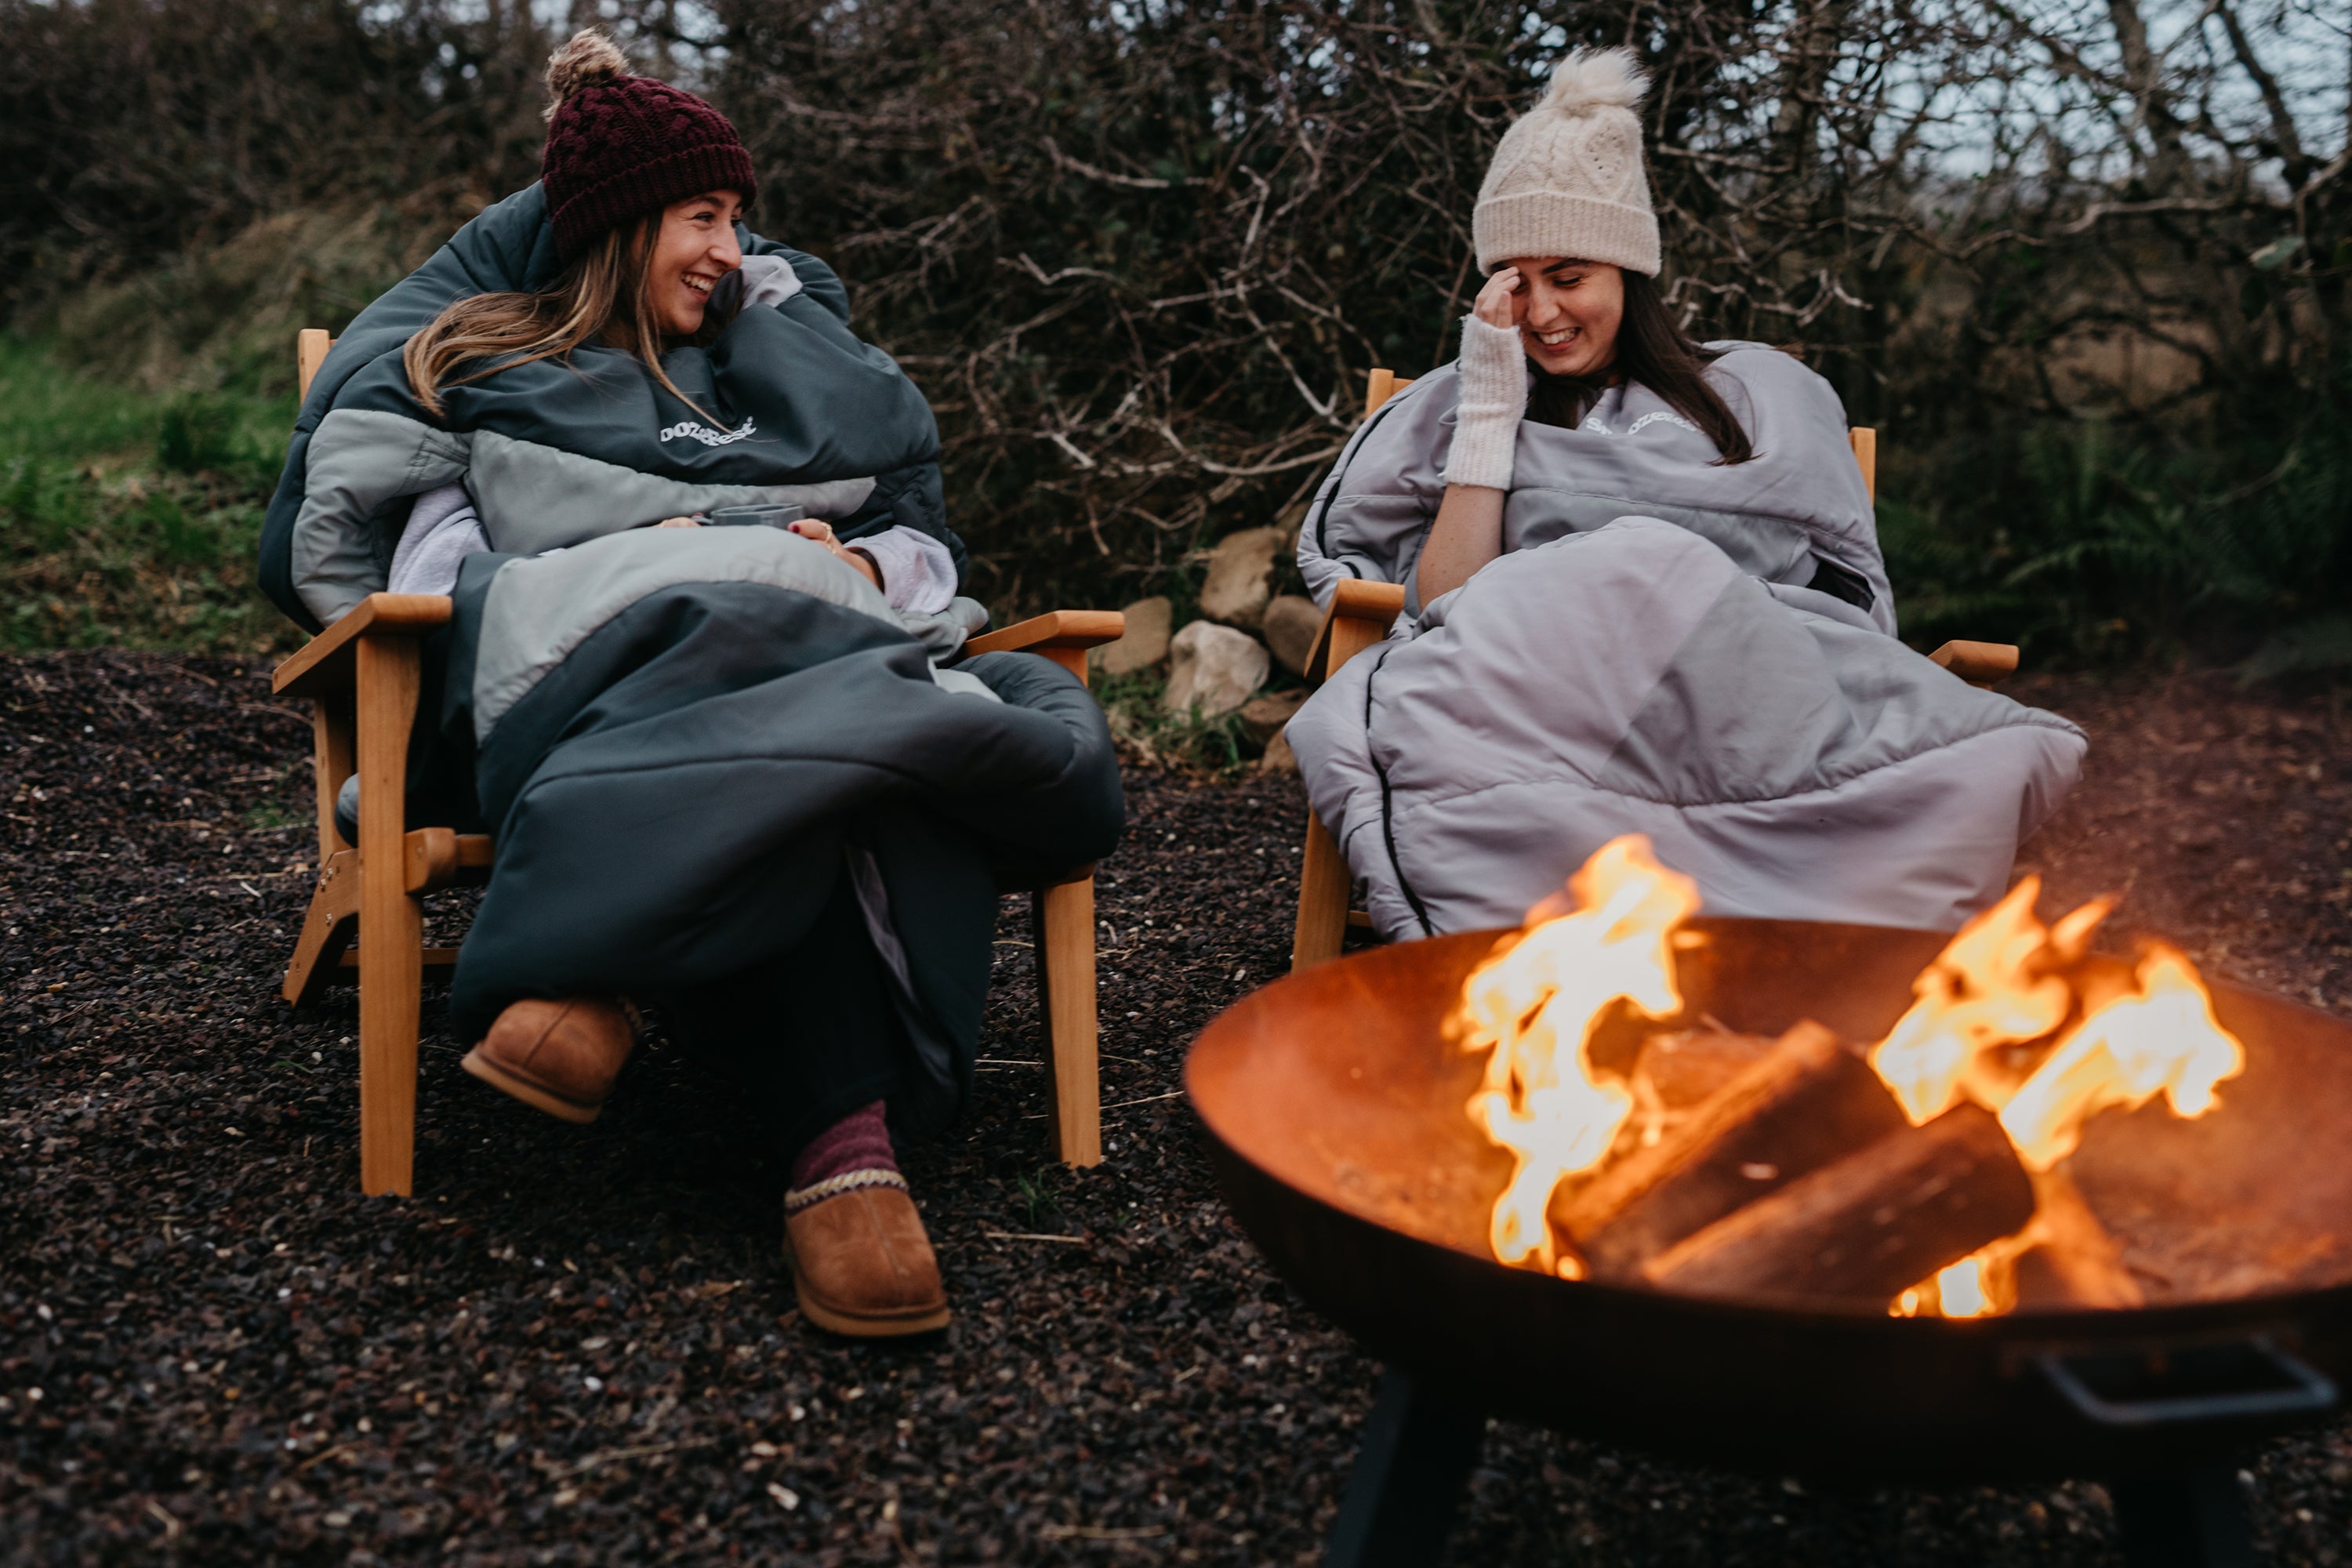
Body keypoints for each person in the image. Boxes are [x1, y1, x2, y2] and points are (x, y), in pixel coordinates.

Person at [259, 31, 1121, 1337]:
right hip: (580, 684)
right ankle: (843, 1154)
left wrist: (849, 559)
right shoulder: (483, 371)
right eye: (701, 217)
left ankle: (591, 965)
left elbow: (919, 556)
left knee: (805, 710)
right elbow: (440, 583)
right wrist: (647, 562)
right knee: (778, 720)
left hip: (789, 678)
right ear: (615, 227)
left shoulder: (773, 384)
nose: (732, 250)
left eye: (737, 219)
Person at [1285, 48, 2084, 938]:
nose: (1545, 313)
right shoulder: (1470, 401)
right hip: (1550, 693)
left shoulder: (1757, 393)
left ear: (1629, 271)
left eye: (1571, 275)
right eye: (1519, 281)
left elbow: (1834, 602)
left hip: (1733, 685)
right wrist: (1488, 408)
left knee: (1955, 740)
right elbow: (1446, 607)